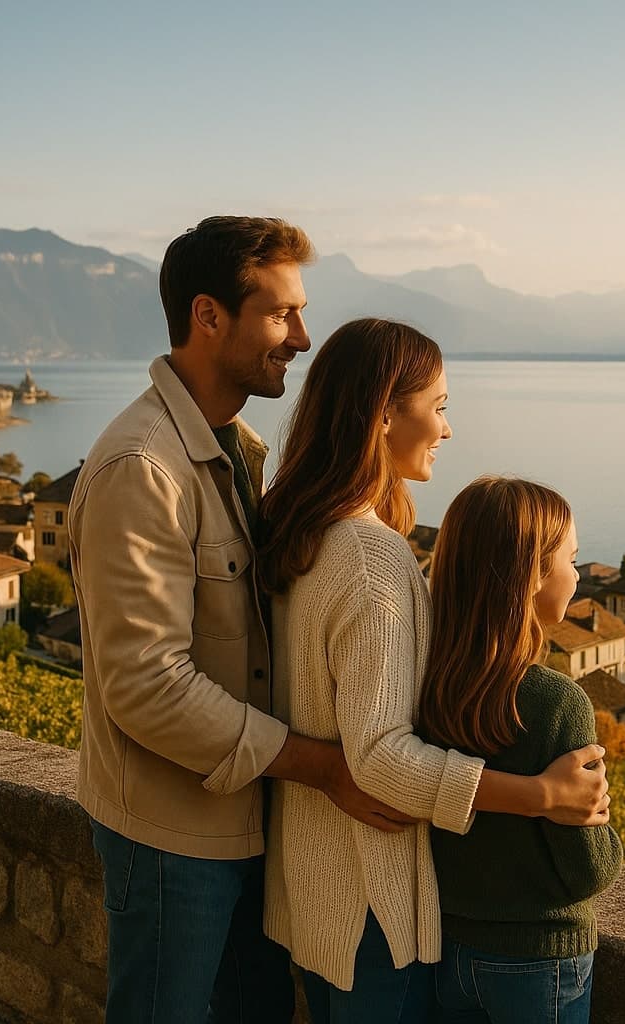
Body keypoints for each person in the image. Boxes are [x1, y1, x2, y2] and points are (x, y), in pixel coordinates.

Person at [69, 217, 414, 1024]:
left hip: (244, 829)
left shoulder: (241, 451)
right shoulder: (141, 469)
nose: (301, 336)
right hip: (170, 842)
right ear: (208, 316)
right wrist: (323, 766)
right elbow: (148, 686)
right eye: (281, 314)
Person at [257, 319, 611, 1023]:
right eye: (439, 405)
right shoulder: (370, 558)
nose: (447, 429)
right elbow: (381, 756)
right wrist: (540, 796)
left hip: (312, 889)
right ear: (385, 413)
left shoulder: (298, 532)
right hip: (374, 907)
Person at [420, 476, 624, 1024]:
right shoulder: (557, 703)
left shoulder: (425, 688)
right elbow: (589, 870)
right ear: (533, 574)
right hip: (541, 961)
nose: (578, 575)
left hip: (447, 951)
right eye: (571, 560)